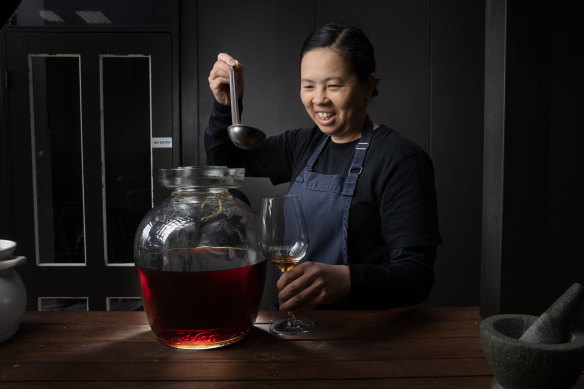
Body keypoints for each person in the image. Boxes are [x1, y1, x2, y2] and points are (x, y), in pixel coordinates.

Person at [205, 23, 441, 312]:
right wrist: (225, 105)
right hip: (298, 326)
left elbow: (417, 278)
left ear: (367, 86)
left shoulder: (400, 159)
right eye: (308, 85)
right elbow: (226, 167)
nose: (319, 99)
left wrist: (349, 279)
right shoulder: (302, 144)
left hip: (362, 336)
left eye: (333, 85)